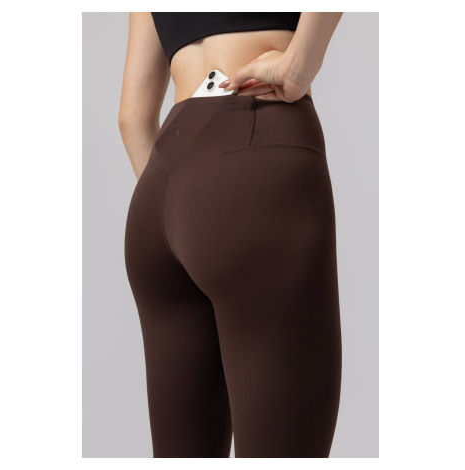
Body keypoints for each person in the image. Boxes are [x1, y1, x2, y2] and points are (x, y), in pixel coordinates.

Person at [119, 12, 343, 458]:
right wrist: (300, 61)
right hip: (256, 155)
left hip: (160, 191)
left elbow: (132, 116)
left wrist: (191, 206)